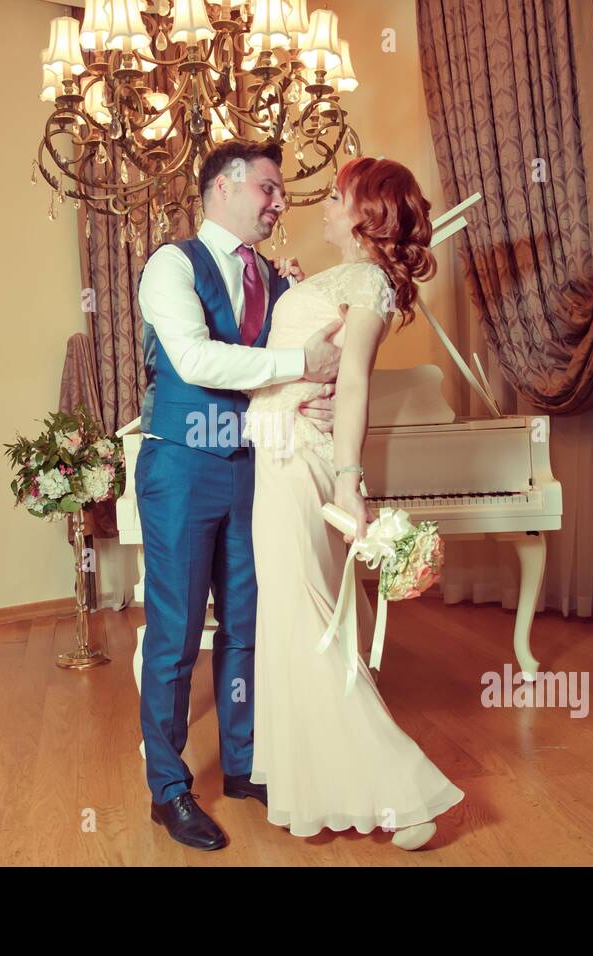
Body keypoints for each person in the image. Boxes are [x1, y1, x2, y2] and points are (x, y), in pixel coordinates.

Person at [246, 157, 465, 851]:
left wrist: (348, 480)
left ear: (367, 213)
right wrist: (297, 298)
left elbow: (356, 387)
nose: (325, 207)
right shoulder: (346, 280)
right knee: (297, 617)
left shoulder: (367, 281)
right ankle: (318, 781)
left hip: (298, 463)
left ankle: (404, 796)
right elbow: (323, 357)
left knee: (307, 620)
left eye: (337, 198)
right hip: (279, 457)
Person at [134, 140, 344, 851]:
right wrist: (299, 361)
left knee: (246, 628)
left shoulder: (271, 277)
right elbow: (193, 357)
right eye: (268, 187)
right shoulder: (172, 264)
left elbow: (287, 379)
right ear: (224, 187)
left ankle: (246, 762)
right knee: (176, 637)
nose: (280, 202)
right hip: (181, 469)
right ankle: (168, 790)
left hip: (252, 464)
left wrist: (314, 390)